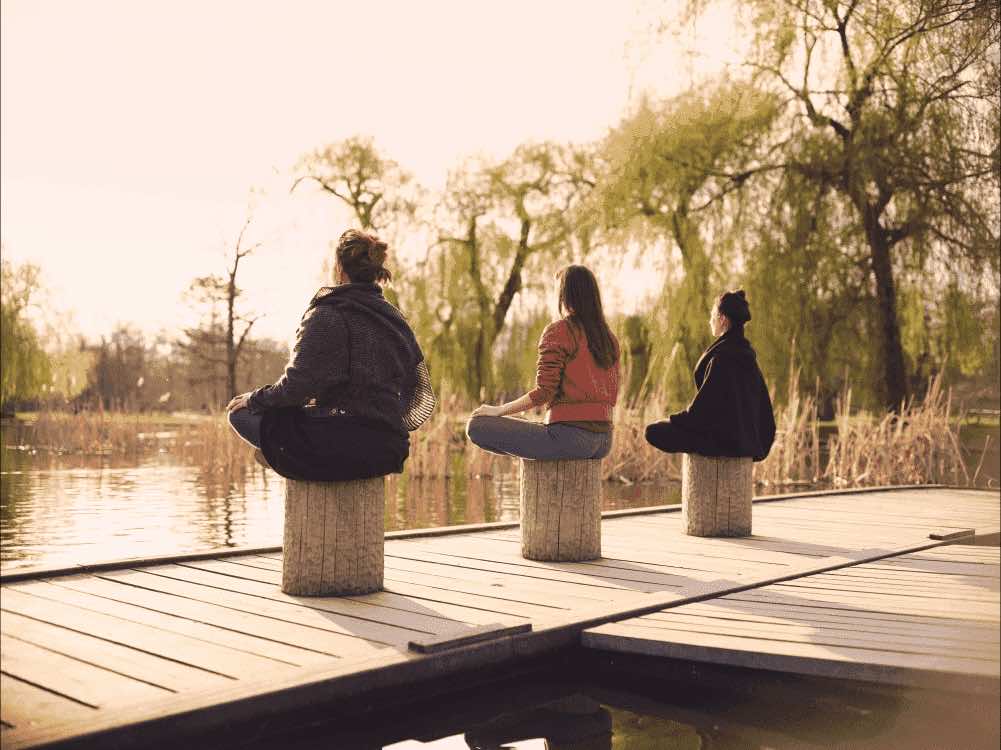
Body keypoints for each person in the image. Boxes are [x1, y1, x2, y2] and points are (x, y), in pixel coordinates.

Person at [226, 229, 435, 481]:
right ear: (375, 271)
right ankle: (296, 457)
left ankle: (290, 460)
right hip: (388, 449)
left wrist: (255, 398)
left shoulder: (327, 314)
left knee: (240, 413)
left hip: (337, 446)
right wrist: (385, 420)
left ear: (339, 268)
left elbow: (297, 387)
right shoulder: (396, 321)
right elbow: (420, 393)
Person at [466, 265, 620, 460]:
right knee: (536, 433)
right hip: (604, 442)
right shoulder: (609, 339)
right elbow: (612, 396)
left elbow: (544, 393)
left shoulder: (560, 331)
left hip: (571, 440)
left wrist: (498, 410)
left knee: (477, 425)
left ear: (565, 297)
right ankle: (542, 453)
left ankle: (543, 453)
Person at [645, 290, 775, 461]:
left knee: (653, 431)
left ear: (723, 319)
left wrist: (674, 420)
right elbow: (766, 417)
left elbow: (702, 412)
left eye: (713, 315)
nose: (710, 320)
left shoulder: (722, 357)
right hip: (747, 442)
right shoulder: (749, 358)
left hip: (723, 441)